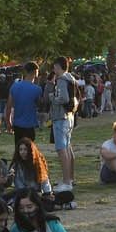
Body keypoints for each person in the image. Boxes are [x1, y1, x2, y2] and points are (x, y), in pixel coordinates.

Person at [48, 57, 78, 190]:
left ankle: (66, 182)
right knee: (68, 147)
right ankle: (70, 177)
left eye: (54, 67)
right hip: (69, 116)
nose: (53, 70)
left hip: (60, 117)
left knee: (62, 149)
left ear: (58, 66)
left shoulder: (61, 80)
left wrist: (52, 97)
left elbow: (63, 98)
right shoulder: (71, 78)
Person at [5, 62, 43, 148]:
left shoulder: (14, 86)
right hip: (30, 124)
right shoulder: (37, 89)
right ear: (35, 72)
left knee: (18, 148)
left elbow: (8, 106)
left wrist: (8, 122)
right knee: (29, 150)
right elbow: (40, 105)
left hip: (17, 124)